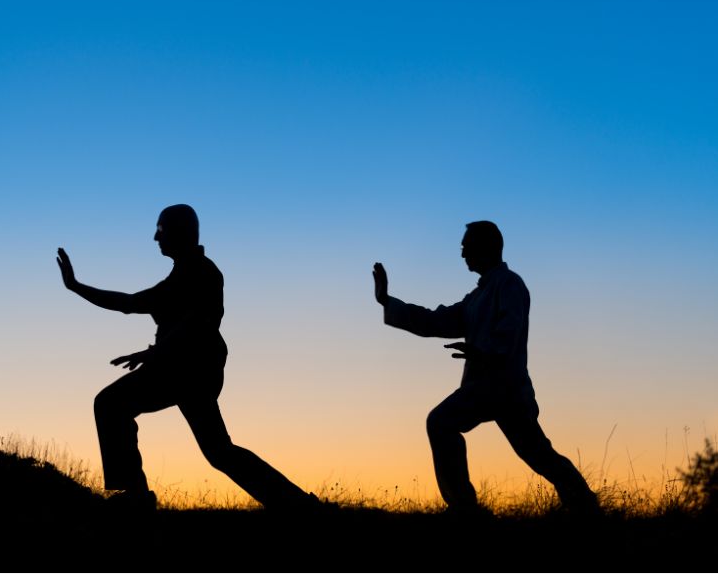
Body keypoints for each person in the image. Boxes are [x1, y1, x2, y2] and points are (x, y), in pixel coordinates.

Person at [57, 204, 321, 511]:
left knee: (112, 404)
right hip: (177, 369)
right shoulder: (178, 276)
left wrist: (154, 352)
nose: (155, 237)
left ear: (180, 232)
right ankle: (300, 506)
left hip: (188, 371)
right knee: (218, 451)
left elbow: (198, 324)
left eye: (161, 230)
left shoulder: (204, 273)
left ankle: (136, 496)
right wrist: (76, 287)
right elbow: (129, 303)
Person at [372, 221, 598, 515]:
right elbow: (436, 321)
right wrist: (387, 302)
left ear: (486, 247)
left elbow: (510, 330)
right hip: (490, 387)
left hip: (504, 386)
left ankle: (467, 508)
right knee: (532, 451)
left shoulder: (510, 284)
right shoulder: (477, 297)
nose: (463, 254)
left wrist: (482, 351)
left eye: (467, 247)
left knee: (453, 426)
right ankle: (584, 505)